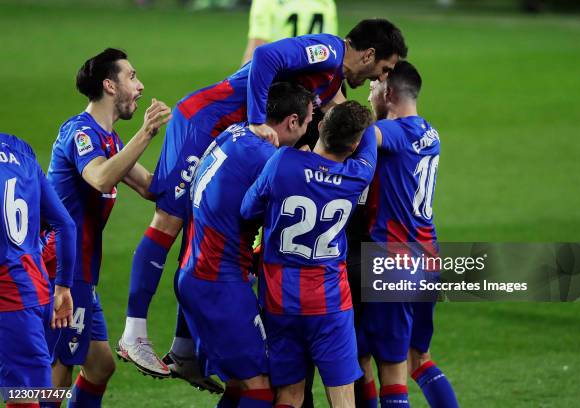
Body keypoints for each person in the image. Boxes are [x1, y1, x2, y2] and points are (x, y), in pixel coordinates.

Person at [120, 18, 407, 382]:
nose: (380, 79)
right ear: (368, 54)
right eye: (384, 70)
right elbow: (266, 55)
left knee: (200, 231)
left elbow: (341, 119)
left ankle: (184, 349)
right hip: (205, 121)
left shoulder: (333, 79)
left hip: (230, 133)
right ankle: (134, 332)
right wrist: (258, 121)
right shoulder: (330, 51)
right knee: (168, 221)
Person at [43, 48, 171, 408]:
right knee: (57, 370)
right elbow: (100, 178)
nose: (140, 86)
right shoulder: (80, 133)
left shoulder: (110, 139)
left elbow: (149, 187)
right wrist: (146, 133)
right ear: (109, 86)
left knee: (99, 366)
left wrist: (194, 162)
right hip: (61, 268)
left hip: (81, 267)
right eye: (132, 77)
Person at [177, 82, 314, 408]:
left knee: (241, 382)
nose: (310, 129)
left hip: (195, 273)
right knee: (260, 386)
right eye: (308, 122)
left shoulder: (236, 132)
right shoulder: (268, 158)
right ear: (292, 122)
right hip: (218, 282)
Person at [240, 101, 376, 407]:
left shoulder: (282, 162)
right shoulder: (357, 175)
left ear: (322, 127)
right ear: (353, 144)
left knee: (289, 394)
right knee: (342, 397)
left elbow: (247, 209)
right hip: (330, 303)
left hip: (279, 299)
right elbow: (369, 142)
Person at [355, 61, 459, 408]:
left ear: (390, 93)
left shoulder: (392, 134)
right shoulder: (430, 132)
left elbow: (360, 132)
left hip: (393, 260)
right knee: (419, 358)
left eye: (374, 85)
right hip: (428, 257)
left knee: (388, 368)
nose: (369, 90)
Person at [0, 133, 75, 408]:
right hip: (34, 293)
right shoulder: (19, 149)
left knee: (25, 397)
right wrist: (64, 286)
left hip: (11, 297)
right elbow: (65, 225)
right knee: (31, 393)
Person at [241, 0, 338, 65]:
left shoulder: (265, 2)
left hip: (280, 75)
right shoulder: (327, 2)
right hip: (313, 78)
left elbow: (254, 52)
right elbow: (331, 47)